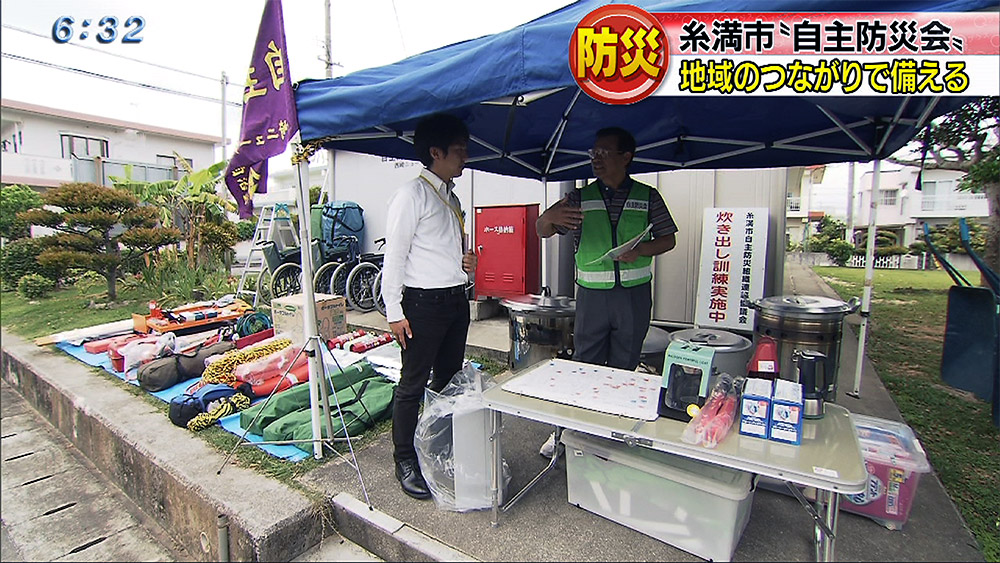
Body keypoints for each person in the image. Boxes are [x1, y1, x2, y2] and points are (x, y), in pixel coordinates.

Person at [535, 126, 678, 456]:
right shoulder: (579, 198)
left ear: (626, 157)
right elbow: (543, 230)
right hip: (592, 297)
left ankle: (613, 434)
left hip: (634, 296)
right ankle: (567, 433)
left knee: (625, 365)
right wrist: (548, 216)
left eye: (603, 153)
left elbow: (669, 239)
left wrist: (641, 251)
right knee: (584, 364)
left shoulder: (648, 196)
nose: (595, 159)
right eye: (593, 154)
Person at [381, 113, 477, 500]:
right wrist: (393, 311)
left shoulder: (451, 196)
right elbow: (396, 256)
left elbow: (440, 248)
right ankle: (404, 458)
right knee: (412, 384)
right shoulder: (411, 194)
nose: (465, 157)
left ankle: (435, 442)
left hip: (455, 300)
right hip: (422, 304)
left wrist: (464, 262)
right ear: (435, 152)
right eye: (459, 150)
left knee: (450, 379)